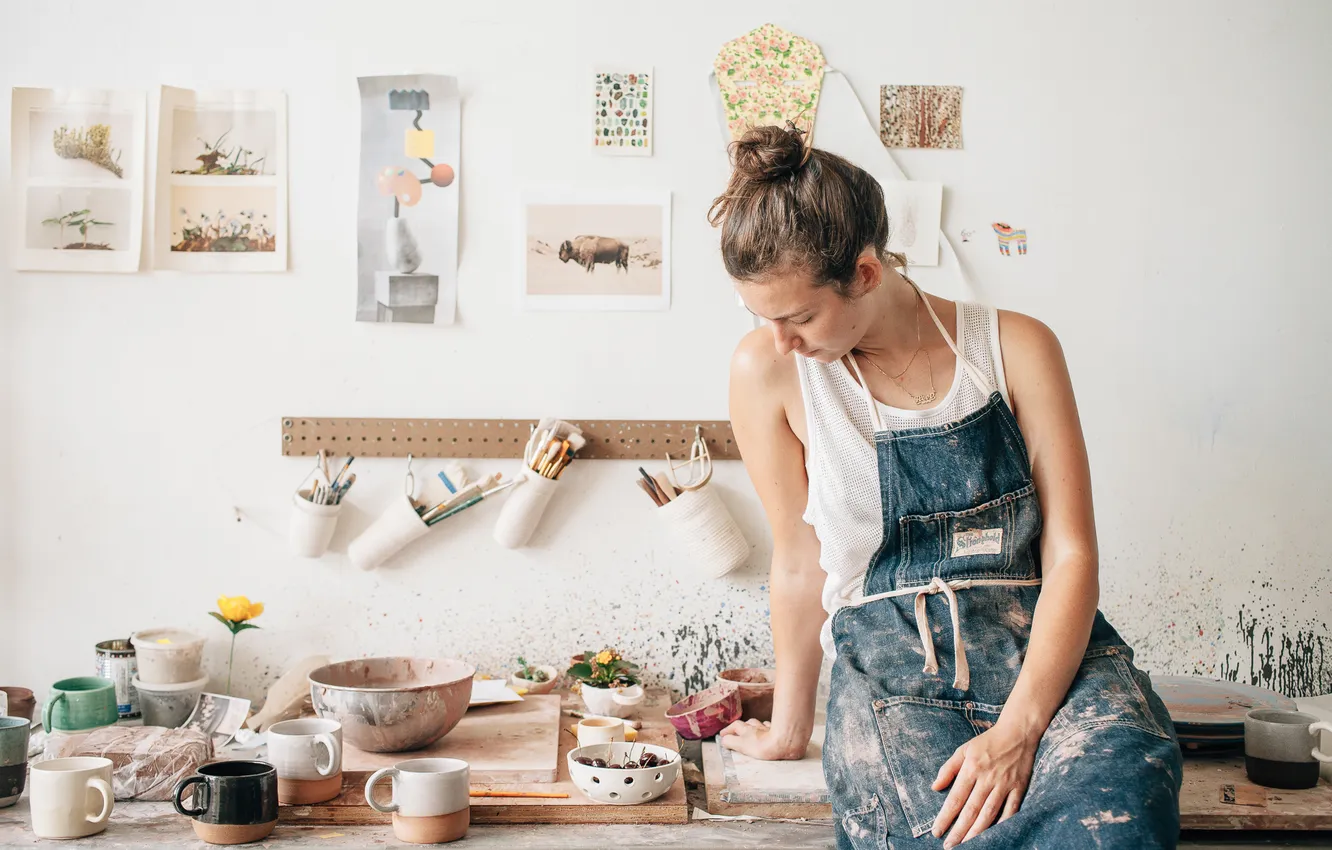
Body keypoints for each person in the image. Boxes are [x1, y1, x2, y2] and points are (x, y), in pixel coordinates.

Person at [712, 124, 1182, 849]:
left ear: (865, 273)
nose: (781, 341)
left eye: (799, 316)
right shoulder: (767, 372)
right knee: (941, 833)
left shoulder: (1017, 347)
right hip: (895, 666)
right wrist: (788, 728)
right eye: (761, 317)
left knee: (1117, 813)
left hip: (1049, 657)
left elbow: (1071, 556)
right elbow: (799, 561)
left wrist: (1023, 727)